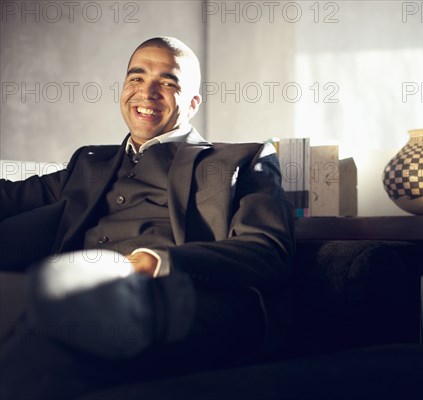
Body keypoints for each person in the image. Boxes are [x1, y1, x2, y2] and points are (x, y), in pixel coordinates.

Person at [0, 37, 295, 399]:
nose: (147, 92)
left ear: (192, 102)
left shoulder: (242, 159)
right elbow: (9, 198)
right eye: (136, 78)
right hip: (75, 288)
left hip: (176, 296)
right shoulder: (88, 164)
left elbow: (267, 250)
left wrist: (158, 262)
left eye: (168, 83)